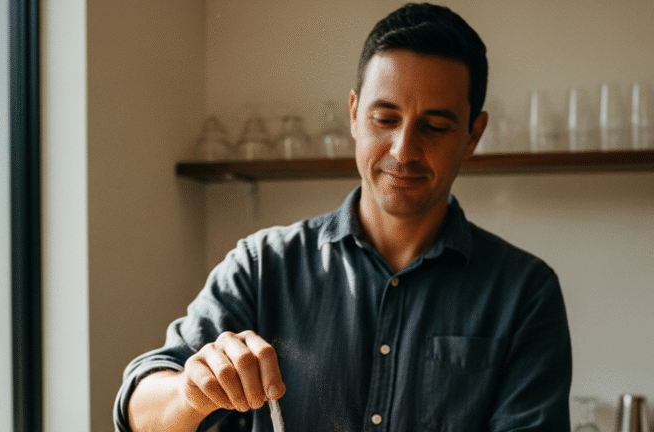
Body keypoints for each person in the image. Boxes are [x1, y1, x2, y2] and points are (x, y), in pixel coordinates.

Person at [114, 3, 572, 431]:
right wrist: (193, 393)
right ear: (354, 115)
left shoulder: (525, 293)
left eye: (434, 126)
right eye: (385, 118)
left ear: (473, 135)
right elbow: (139, 411)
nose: (403, 151)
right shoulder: (262, 266)